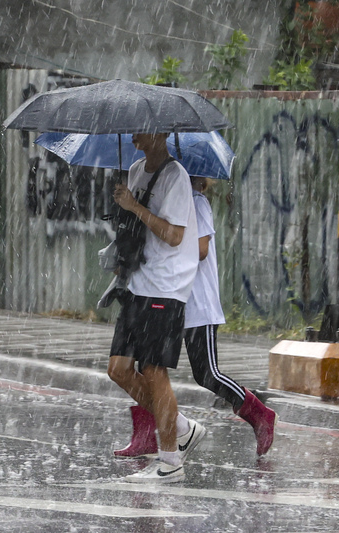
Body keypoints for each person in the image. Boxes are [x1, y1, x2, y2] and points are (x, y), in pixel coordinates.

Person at [116, 175, 278, 458]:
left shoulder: (197, 203)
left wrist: (166, 236)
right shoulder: (166, 204)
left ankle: (259, 413)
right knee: (149, 369)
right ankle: (146, 436)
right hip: (167, 298)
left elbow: (201, 249)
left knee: (207, 374)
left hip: (196, 302)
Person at [107, 132, 205, 484]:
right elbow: (137, 226)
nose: (134, 132)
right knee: (118, 369)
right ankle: (181, 426)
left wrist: (134, 206)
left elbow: (175, 235)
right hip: (137, 281)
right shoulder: (135, 170)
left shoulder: (175, 175)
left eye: (142, 126)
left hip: (165, 285)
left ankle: (170, 462)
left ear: (161, 133)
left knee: (153, 371)